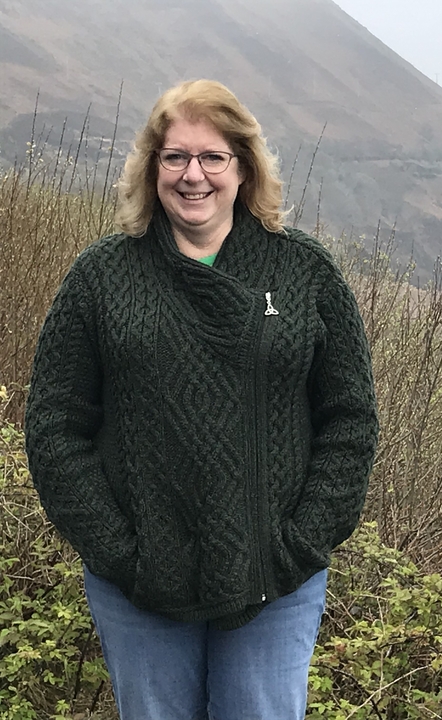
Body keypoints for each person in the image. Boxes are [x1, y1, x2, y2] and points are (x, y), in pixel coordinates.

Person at [24, 79, 379, 719]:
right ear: (151, 168)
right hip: (140, 580)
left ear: (243, 167)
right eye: (175, 157)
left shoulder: (304, 273)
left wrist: (298, 541)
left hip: (274, 577)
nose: (195, 175)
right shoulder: (104, 275)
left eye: (213, 157)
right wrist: (117, 549)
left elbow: (349, 419)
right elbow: (55, 425)